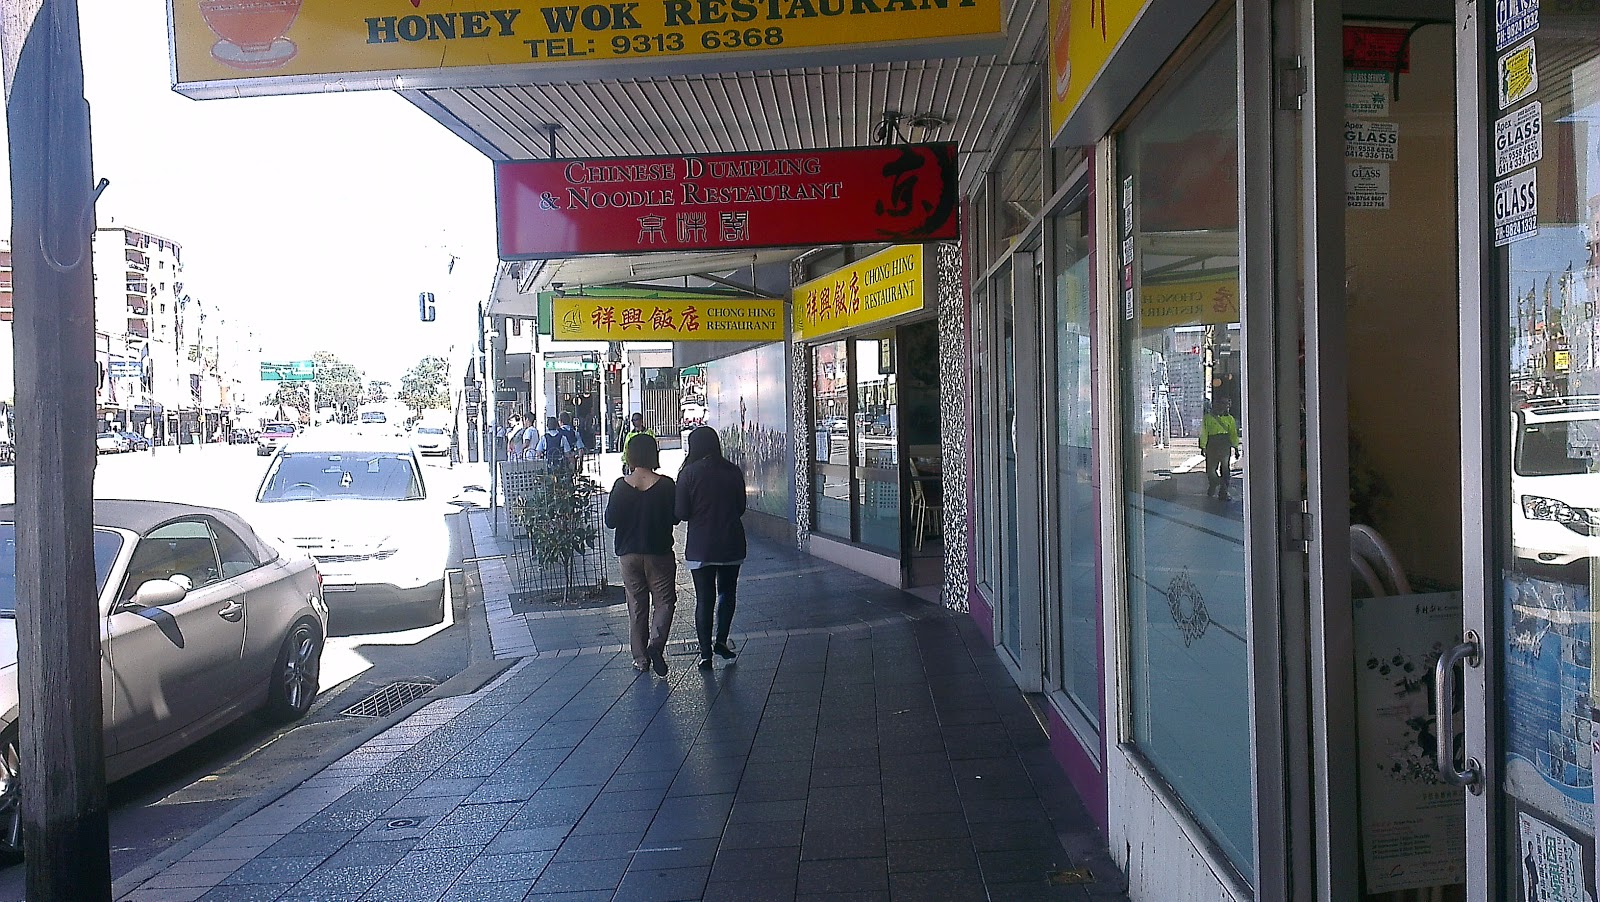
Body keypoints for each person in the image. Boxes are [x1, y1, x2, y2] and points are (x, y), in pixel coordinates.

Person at [603, 433, 677, 677]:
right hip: (659, 553)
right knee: (664, 601)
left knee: (636, 604)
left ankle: (640, 659)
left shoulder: (621, 486)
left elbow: (610, 521)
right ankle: (656, 644)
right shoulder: (666, 485)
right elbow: (675, 517)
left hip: (629, 554)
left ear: (631, 456)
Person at [676, 425, 747, 670]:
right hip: (731, 543)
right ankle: (722, 641)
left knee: (704, 599)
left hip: (701, 546)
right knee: (727, 593)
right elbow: (741, 507)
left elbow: (681, 512)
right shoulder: (732, 470)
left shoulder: (688, 473)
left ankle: (705, 654)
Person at [1200, 397, 1241, 501]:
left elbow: (1233, 434)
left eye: (1226, 404)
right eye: (1223, 404)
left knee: (1225, 469)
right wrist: (1203, 446)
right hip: (1212, 444)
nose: (1225, 407)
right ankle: (1215, 482)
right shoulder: (1208, 418)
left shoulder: (1230, 419)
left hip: (1224, 445)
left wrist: (1236, 447)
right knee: (1210, 470)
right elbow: (1204, 432)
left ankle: (1223, 491)